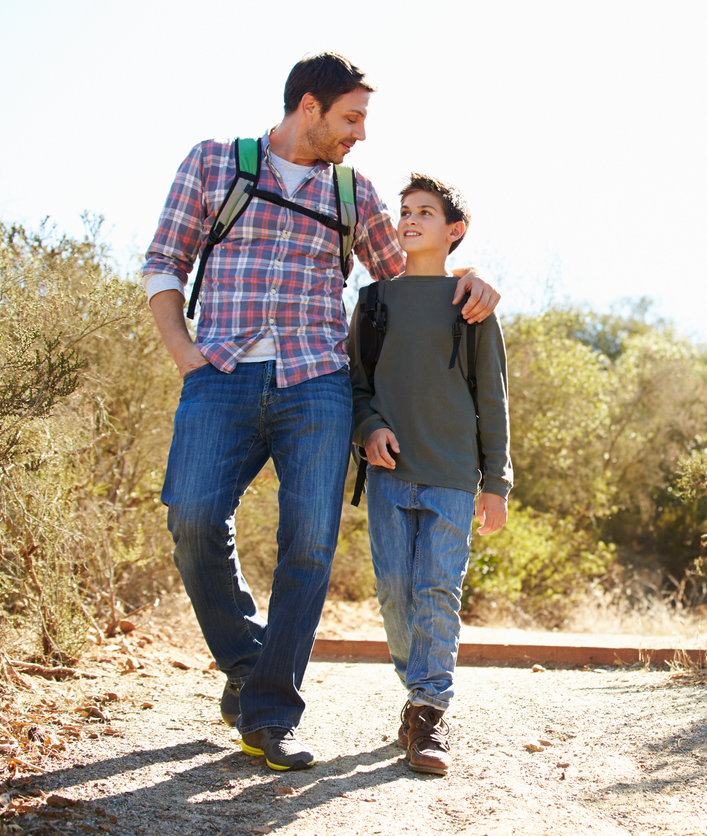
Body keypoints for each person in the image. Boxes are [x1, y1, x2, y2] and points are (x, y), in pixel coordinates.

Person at [142, 53, 499, 772]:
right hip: (221, 373)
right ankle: (248, 664)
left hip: (318, 384)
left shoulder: (353, 192)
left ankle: (271, 715)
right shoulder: (216, 164)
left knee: (308, 547)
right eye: (352, 118)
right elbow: (163, 262)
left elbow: (405, 278)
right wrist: (184, 351)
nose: (361, 134)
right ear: (310, 107)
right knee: (190, 517)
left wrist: (472, 280)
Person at [348, 174, 512, 775]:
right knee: (395, 592)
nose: (410, 220)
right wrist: (368, 428)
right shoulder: (373, 303)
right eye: (405, 212)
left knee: (437, 591)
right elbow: (357, 384)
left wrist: (496, 483)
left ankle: (428, 711)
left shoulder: (471, 305)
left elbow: (492, 399)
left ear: (454, 231)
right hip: (390, 475)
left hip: (450, 474)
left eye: (425, 212)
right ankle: (415, 686)